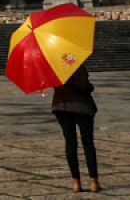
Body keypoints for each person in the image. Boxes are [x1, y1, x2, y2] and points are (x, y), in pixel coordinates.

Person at [51, 64, 100, 193]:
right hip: (82, 107)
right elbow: (83, 86)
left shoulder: (53, 66)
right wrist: (90, 86)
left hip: (61, 106)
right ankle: (94, 181)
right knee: (88, 143)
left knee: (70, 142)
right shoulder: (75, 64)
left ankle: (75, 182)